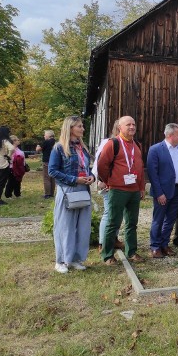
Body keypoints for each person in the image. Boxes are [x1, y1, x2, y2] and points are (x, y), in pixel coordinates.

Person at [96, 115, 146, 265]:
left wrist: (141, 187)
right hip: (117, 190)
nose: (132, 127)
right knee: (113, 222)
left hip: (134, 191)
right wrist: (109, 181)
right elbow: (101, 165)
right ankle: (108, 255)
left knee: (132, 223)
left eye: (134, 124)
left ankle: (131, 252)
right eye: (128, 125)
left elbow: (140, 168)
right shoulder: (113, 144)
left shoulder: (136, 145)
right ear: (120, 128)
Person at [48, 116, 95, 273]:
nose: (82, 129)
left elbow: (88, 168)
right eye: (79, 126)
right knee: (65, 227)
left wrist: (91, 177)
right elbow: (52, 171)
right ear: (70, 128)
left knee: (82, 227)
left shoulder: (83, 148)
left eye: (82, 126)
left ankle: (75, 258)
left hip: (83, 190)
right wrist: (75, 179)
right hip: (68, 191)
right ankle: (61, 260)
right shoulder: (59, 148)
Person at [147, 123, 178, 258]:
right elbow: (153, 174)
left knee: (170, 219)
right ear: (170, 135)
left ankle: (164, 244)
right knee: (158, 220)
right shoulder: (156, 149)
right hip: (163, 192)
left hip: (176, 190)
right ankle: (155, 246)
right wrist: (159, 193)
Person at [92, 120, 123, 253]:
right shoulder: (109, 142)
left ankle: (113, 238)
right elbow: (100, 163)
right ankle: (103, 243)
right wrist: (102, 180)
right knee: (109, 213)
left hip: (121, 185)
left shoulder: (125, 143)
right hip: (108, 183)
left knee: (118, 214)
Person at [36, 130, 56, 199]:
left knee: (46, 177)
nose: (44, 136)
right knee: (52, 178)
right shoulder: (55, 142)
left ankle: (47, 194)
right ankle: (52, 193)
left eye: (45, 135)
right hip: (54, 161)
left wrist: (38, 146)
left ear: (48, 135)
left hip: (47, 161)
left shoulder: (46, 142)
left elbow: (38, 150)